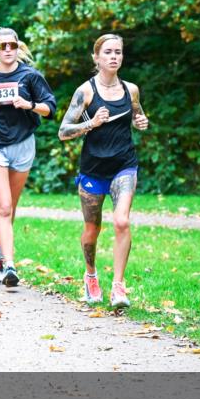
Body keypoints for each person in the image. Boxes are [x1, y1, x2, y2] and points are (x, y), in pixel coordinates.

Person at [58, 33, 149, 309]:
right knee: (92, 229)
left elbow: (136, 115)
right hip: (93, 169)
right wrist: (91, 124)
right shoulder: (85, 92)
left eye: (118, 52)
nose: (114, 57)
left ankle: (119, 287)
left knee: (121, 221)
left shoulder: (131, 89)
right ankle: (91, 276)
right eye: (108, 52)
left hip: (124, 165)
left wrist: (141, 121)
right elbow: (63, 131)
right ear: (96, 58)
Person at [0, 27, 56, 288]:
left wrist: (29, 105)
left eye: (12, 45)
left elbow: (50, 108)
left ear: (18, 48)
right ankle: (9, 265)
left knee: (12, 207)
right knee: (4, 206)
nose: (8, 50)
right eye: (3, 46)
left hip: (23, 144)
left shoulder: (30, 76)